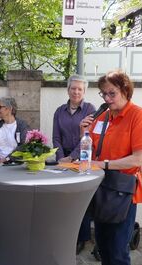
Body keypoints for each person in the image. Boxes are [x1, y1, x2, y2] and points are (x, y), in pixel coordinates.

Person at [80, 70, 142, 265]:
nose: (107, 98)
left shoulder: (138, 115)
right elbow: (90, 153)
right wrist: (84, 133)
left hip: (122, 190)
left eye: (112, 93)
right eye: (104, 93)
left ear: (125, 91)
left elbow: (138, 159)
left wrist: (105, 164)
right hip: (101, 187)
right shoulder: (103, 116)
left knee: (119, 251)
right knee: (103, 246)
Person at [52, 74, 96, 255]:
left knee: (80, 199)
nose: (76, 92)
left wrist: (72, 157)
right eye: (73, 88)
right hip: (62, 160)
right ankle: (64, 236)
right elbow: (55, 137)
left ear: (84, 91)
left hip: (82, 157)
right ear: (68, 90)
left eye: (80, 89)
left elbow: (89, 136)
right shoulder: (59, 111)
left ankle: (81, 238)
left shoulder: (90, 109)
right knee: (63, 199)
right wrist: (61, 158)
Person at [0, 97, 29, 163]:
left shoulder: (22, 126)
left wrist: (7, 159)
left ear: (9, 108)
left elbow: (23, 147)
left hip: (16, 166)